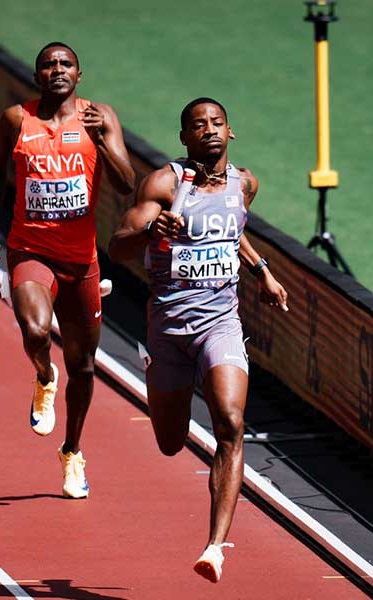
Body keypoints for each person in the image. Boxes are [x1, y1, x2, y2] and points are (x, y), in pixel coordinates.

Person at [108, 98, 288, 582]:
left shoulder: (244, 184)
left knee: (231, 422)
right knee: (170, 442)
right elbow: (117, 246)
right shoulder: (164, 185)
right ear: (184, 137)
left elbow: (233, 231)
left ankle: (214, 547)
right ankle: (156, 372)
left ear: (230, 131)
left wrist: (262, 272)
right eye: (198, 125)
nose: (209, 130)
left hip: (220, 323)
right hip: (168, 328)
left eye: (217, 123)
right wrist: (151, 230)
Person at [0, 42, 135, 499]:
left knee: (83, 367)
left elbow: (126, 184)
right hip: (30, 250)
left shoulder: (100, 116)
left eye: (66, 64)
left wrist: (101, 139)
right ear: (37, 77)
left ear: (79, 75)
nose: (57, 69)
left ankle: (72, 451)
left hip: (81, 261)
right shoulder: (16, 120)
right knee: (35, 330)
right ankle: (45, 375)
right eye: (48, 64)